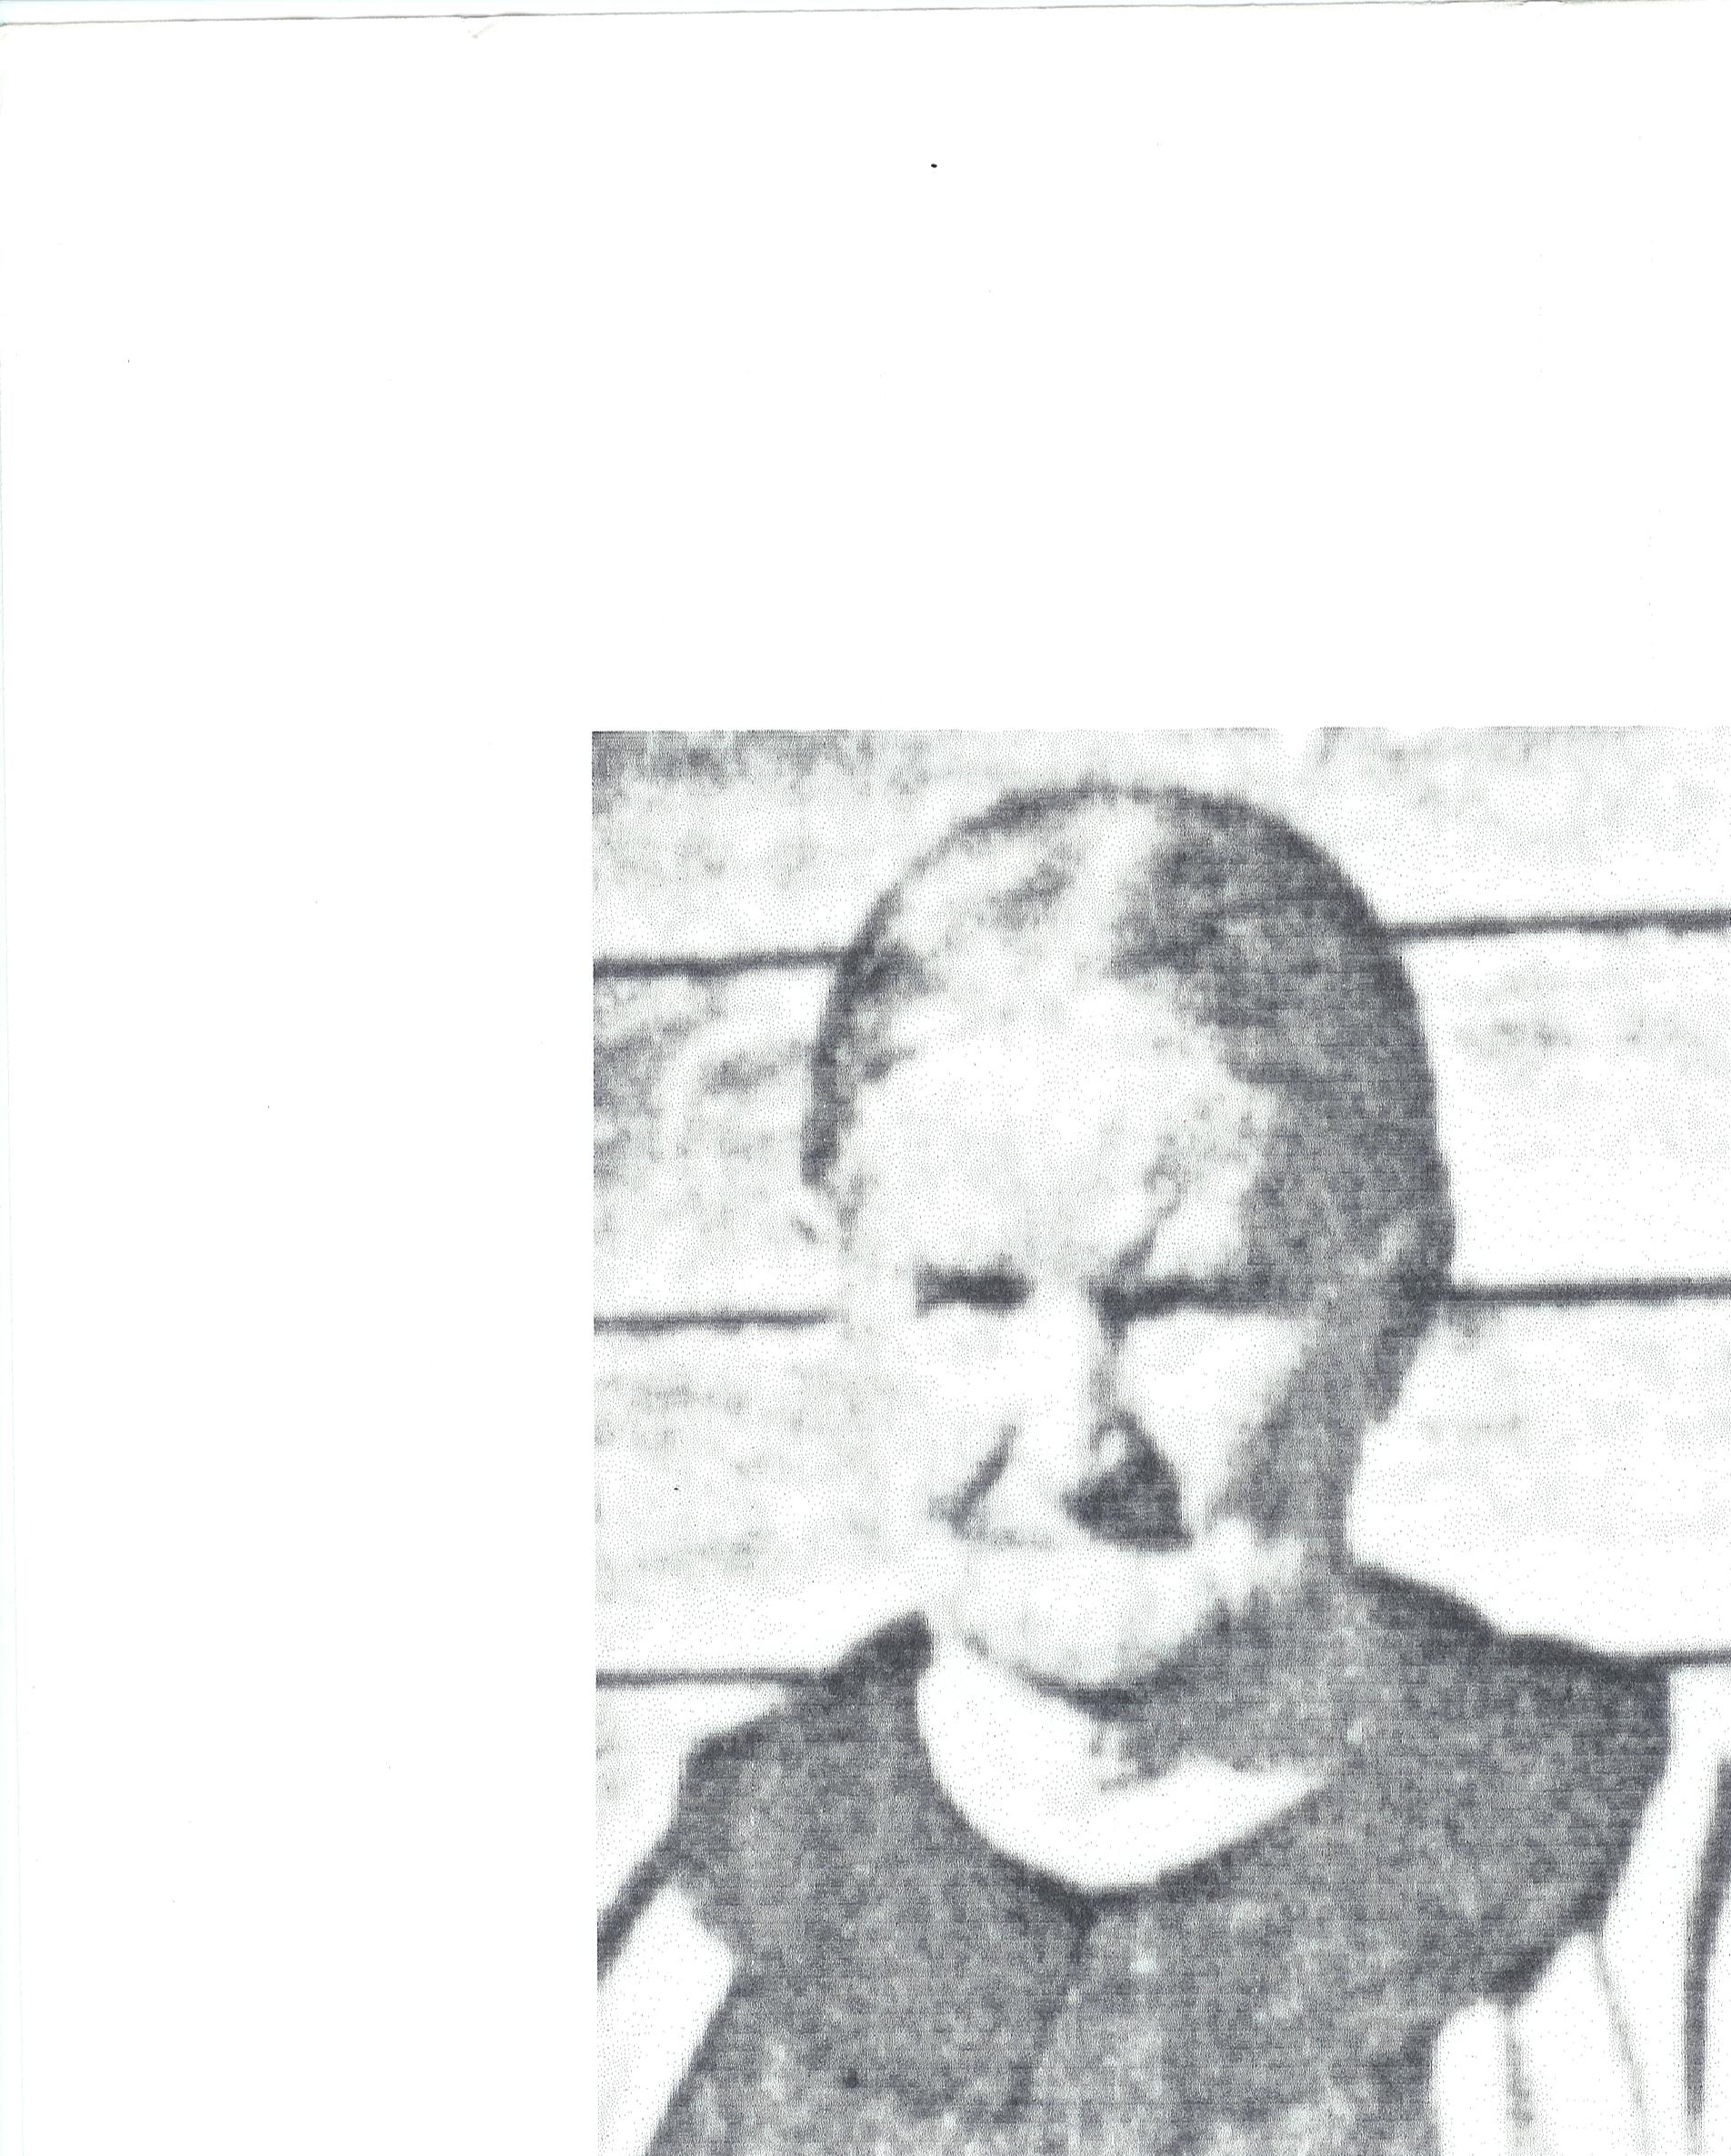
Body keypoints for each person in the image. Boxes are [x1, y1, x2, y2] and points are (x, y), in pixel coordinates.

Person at [599, 785, 1680, 2156]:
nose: (1073, 1448)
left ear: (1394, 1305)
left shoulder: (1661, 1919)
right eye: (971, 1296)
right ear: (843, 1294)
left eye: (1181, 1302)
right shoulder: (655, 1938)